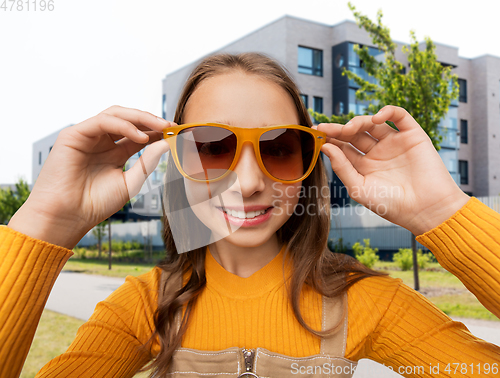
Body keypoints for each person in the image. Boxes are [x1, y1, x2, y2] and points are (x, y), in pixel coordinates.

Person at [1, 52, 500, 378]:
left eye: (280, 149)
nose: (247, 183)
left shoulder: (368, 301)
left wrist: (443, 212)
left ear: (309, 164)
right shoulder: (142, 306)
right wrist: (45, 223)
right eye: (212, 148)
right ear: (177, 160)